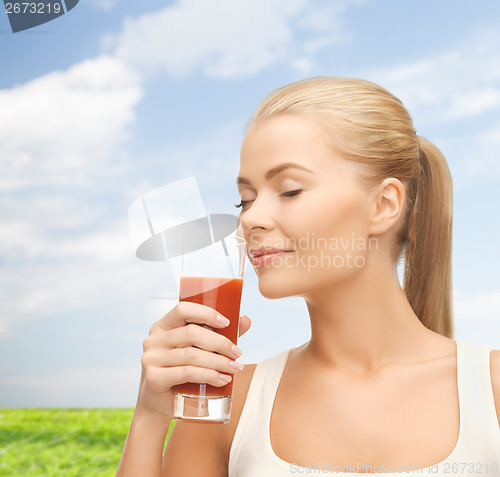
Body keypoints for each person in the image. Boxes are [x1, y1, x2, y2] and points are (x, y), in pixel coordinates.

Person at [116, 77, 500, 476]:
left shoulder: (492, 393)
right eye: (245, 199)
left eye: (290, 190)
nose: (250, 219)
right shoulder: (226, 402)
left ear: (384, 205)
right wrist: (149, 417)